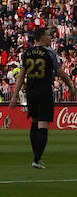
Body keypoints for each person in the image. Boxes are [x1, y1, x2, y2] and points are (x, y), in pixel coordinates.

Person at [10, 25, 76, 169]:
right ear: (41, 38)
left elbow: (21, 76)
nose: (50, 37)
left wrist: (15, 96)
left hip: (31, 93)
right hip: (44, 92)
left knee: (34, 122)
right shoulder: (49, 52)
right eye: (47, 35)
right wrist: (70, 85)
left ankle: (36, 157)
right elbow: (61, 73)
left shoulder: (26, 53)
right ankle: (37, 159)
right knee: (43, 125)